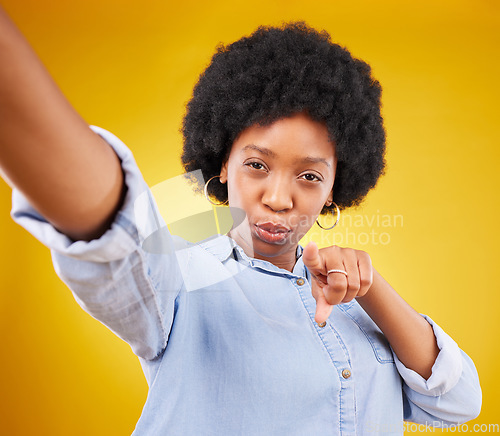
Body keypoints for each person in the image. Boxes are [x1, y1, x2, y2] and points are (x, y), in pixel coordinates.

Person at [0, 5, 481, 435]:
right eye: (257, 165)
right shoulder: (184, 274)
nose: (278, 198)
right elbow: (121, 243)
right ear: (223, 165)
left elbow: (459, 405)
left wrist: (370, 287)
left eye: (309, 176)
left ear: (335, 187)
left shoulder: (357, 303)